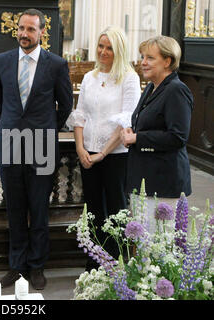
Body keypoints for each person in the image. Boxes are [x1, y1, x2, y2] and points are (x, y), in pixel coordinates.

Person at [0, 8, 73, 290]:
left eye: (30, 29)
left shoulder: (57, 64)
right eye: (21, 29)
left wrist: (47, 128)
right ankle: (16, 266)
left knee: (38, 208)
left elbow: (66, 105)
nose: (24, 34)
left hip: (42, 145)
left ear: (41, 32)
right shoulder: (0, 62)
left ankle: (37, 266)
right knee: (14, 208)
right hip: (11, 142)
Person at [70, 26, 141, 270]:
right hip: (88, 154)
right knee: (92, 210)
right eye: (101, 46)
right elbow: (80, 115)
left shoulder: (129, 78)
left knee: (115, 209)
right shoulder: (90, 77)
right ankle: (94, 262)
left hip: (115, 156)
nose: (103, 51)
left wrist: (102, 153)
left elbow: (127, 120)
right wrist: (81, 148)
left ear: (119, 50)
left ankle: (116, 262)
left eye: (109, 47)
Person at [121, 35, 193, 231]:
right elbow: (149, 124)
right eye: (143, 57)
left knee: (160, 245)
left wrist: (138, 138)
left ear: (167, 61)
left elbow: (177, 137)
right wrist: (132, 131)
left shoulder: (176, 90)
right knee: (144, 246)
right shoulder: (153, 87)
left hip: (163, 183)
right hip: (144, 178)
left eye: (150, 58)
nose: (143, 62)